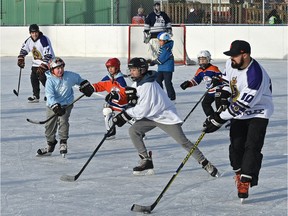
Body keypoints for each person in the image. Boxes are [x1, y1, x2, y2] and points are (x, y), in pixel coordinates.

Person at [112, 57, 219, 177]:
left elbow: (143, 109)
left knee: (183, 142)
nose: (131, 72)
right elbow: (134, 99)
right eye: (130, 69)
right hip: (151, 116)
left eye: (134, 70)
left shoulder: (148, 85)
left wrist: (125, 115)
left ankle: (205, 163)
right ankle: (146, 160)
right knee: (134, 130)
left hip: (165, 117)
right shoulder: (137, 83)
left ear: (142, 70)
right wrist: (118, 98)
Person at [203, 40, 274, 201]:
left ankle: (246, 179)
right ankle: (239, 172)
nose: (231, 58)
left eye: (235, 56)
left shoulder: (255, 76)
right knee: (236, 147)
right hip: (240, 111)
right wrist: (222, 92)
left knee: (252, 146)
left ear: (245, 55)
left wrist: (218, 119)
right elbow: (228, 81)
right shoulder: (232, 63)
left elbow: (240, 106)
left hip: (259, 112)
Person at [36, 57, 95, 157]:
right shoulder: (50, 81)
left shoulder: (69, 76)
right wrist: (55, 106)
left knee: (63, 121)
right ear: (52, 70)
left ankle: (63, 142)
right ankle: (50, 144)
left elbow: (79, 80)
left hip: (67, 104)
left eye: (61, 67)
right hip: (53, 106)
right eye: (57, 68)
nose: (60, 70)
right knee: (49, 126)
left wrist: (85, 85)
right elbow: (50, 96)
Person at [91, 58, 128, 140]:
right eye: (108, 67)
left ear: (117, 67)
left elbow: (124, 94)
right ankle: (111, 131)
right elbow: (100, 85)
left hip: (123, 103)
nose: (110, 69)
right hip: (115, 103)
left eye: (112, 67)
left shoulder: (120, 80)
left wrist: (116, 96)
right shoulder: (108, 78)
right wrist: (91, 88)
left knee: (128, 116)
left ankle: (140, 132)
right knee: (107, 109)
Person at [17, 24, 55, 103]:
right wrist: (21, 58)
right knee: (33, 78)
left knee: (43, 78)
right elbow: (24, 50)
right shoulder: (29, 40)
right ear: (30, 33)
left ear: (38, 31)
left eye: (36, 32)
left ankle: (50, 94)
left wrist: (43, 65)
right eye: (32, 32)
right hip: (35, 64)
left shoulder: (43, 39)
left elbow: (48, 54)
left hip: (47, 62)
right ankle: (36, 96)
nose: (34, 34)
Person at [180, 50, 222, 117]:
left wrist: (217, 79)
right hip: (210, 91)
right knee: (205, 103)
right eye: (200, 60)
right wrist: (188, 84)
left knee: (219, 106)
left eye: (204, 59)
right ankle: (211, 117)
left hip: (218, 90)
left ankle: (225, 118)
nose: (202, 61)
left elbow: (221, 77)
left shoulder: (213, 68)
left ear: (208, 59)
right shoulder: (200, 71)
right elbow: (196, 80)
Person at [150, 32, 176, 102]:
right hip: (161, 68)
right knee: (158, 81)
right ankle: (161, 95)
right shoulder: (163, 47)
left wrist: (153, 62)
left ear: (166, 41)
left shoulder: (166, 49)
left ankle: (171, 97)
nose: (159, 42)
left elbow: (161, 60)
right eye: (159, 40)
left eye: (160, 40)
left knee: (167, 83)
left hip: (167, 69)